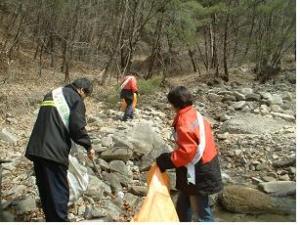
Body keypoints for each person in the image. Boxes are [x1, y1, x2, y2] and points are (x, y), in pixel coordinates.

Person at [25, 78, 95, 222]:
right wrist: (88, 146)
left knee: (46, 194)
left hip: (36, 149)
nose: (84, 98)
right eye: (85, 95)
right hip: (53, 153)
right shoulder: (75, 98)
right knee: (59, 195)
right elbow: (76, 128)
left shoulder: (51, 93)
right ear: (81, 90)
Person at [155, 86, 223, 222]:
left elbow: (187, 153)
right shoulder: (194, 114)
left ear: (174, 104)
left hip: (199, 171)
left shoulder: (184, 121)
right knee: (184, 203)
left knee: (201, 212)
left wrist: (166, 161)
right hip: (202, 166)